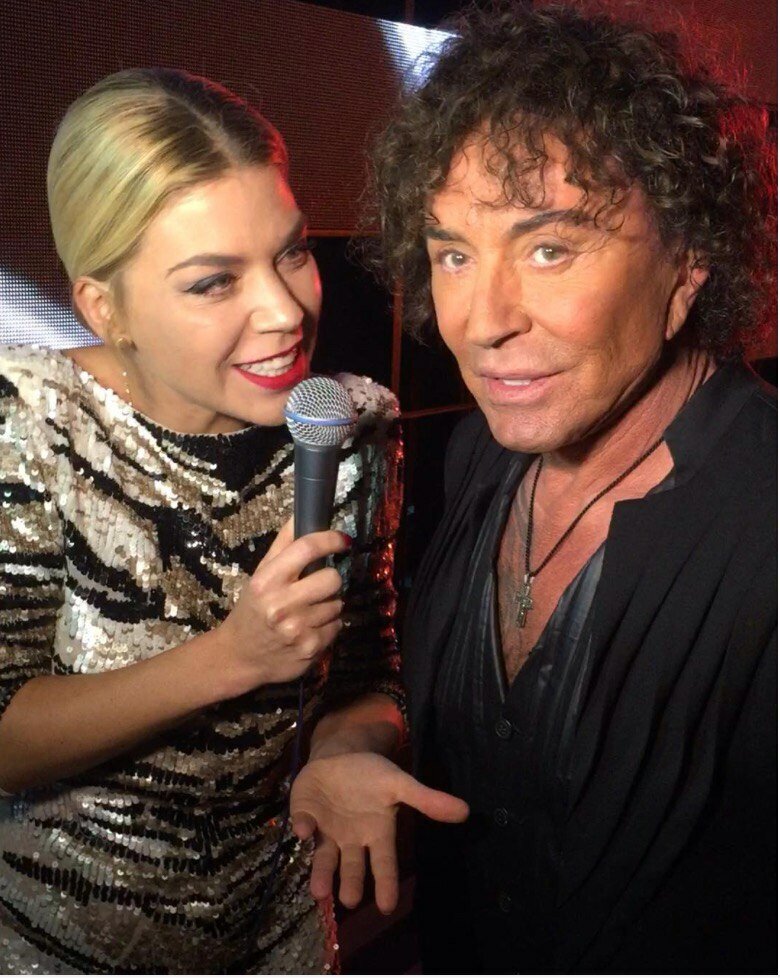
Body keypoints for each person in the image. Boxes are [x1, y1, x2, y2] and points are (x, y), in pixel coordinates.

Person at [305, 2, 776, 973]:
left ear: (689, 259)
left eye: (549, 248)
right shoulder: (480, 457)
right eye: (454, 253)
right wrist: (354, 747)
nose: (482, 321)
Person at [0, 68, 467, 975]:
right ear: (105, 307)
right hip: (56, 945)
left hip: (277, 933)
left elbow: (366, 669)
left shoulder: (351, 425)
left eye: (291, 254)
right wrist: (232, 658)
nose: (287, 312)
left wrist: (349, 747)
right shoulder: (32, 425)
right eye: (215, 282)